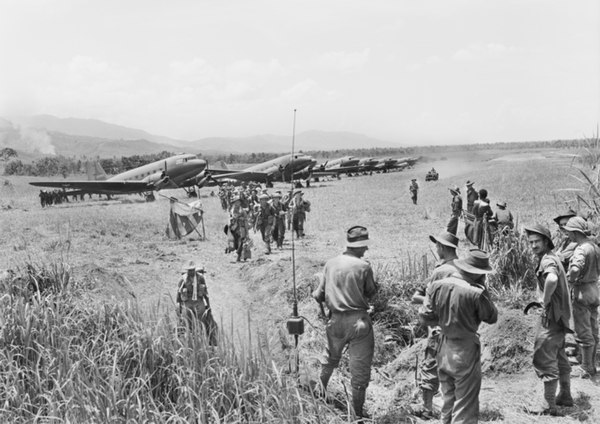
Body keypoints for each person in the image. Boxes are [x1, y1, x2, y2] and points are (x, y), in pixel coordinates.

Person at [419, 249, 498, 424]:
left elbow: (425, 316)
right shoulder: (476, 292)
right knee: (465, 405)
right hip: (465, 350)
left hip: (443, 346)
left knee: (448, 399)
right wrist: (484, 290)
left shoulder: (437, 285)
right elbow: (492, 317)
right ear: (479, 274)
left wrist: (442, 321)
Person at [312, 226, 378, 420]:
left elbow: (319, 294)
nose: (365, 250)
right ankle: (357, 414)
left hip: (335, 321)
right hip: (358, 322)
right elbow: (371, 292)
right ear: (358, 246)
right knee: (359, 371)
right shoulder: (364, 266)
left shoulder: (330, 264)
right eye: (364, 246)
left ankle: (320, 391)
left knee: (330, 358)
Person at [525, 224, 574, 415]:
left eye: (537, 241)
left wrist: (544, 301)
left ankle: (549, 405)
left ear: (546, 242)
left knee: (544, 355)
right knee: (559, 354)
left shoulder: (547, 261)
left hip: (552, 317)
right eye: (531, 242)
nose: (534, 245)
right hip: (560, 317)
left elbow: (552, 279)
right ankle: (565, 395)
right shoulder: (552, 258)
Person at [411, 231, 461, 419]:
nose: (436, 249)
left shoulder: (440, 271)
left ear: (442, 247)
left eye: (437, 246)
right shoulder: (467, 268)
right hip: (461, 328)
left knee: (431, 365)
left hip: (440, 327)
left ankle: (427, 409)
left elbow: (422, 299)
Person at [562, 216, 600, 378]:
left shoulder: (580, 249)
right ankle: (592, 363)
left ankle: (586, 367)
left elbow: (576, 268)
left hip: (582, 291)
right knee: (593, 328)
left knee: (583, 330)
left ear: (575, 232)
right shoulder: (595, 247)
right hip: (594, 288)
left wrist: (570, 278)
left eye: (569, 232)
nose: (568, 235)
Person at [176, 260, 218, 345]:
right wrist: (178, 305)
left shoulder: (200, 278)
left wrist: (208, 305)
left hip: (198, 301)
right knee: (186, 319)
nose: (191, 272)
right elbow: (178, 293)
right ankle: (187, 337)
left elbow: (205, 292)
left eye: (192, 270)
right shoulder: (182, 279)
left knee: (202, 317)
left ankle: (202, 334)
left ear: (195, 269)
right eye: (189, 270)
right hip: (187, 302)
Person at [228, 196, 249, 262]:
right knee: (234, 241)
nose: (237, 203)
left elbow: (246, 219)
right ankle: (235, 251)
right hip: (234, 227)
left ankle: (240, 255)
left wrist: (243, 219)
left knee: (242, 241)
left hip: (241, 227)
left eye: (238, 202)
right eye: (236, 202)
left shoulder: (242, 210)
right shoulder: (231, 210)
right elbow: (230, 218)